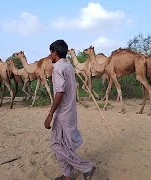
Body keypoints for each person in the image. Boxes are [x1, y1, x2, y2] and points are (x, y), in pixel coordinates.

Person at [44, 39, 96, 180]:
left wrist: (50, 114)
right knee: (64, 144)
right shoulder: (68, 66)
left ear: (55, 52)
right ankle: (67, 175)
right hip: (70, 110)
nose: (50, 56)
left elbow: (59, 92)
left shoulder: (59, 68)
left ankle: (86, 167)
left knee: (56, 145)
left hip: (63, 113)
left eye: (51, 53)